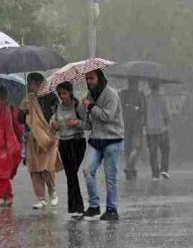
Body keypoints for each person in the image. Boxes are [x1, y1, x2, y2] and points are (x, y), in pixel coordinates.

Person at [82, 69, 125, 221]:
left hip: (112, 139)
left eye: (91, 78)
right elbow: (88, 124)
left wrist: (91, 107)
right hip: (96, 139)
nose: (89, 81)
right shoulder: (89, 96)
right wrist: (83, 113)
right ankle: (94, 206)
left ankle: (112, 209)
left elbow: (107, 116)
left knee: (110, 177)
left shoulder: (111, 94)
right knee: (88, 170)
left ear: (99, 78)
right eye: (86, 78)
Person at [19, 73, 60, 210]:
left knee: (47, 167)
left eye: (30, 83)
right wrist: (23, 109)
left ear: (38, 83)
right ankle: (41, 198)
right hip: (32, 138)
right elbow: (20, 119)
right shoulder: (28, 99)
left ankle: (53, 192)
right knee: (35, 169)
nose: (29, 86)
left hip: (48, 136)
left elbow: (56, 115)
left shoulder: (51, 96)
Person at [50, 81, 88, 217]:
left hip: (77, 143)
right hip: (64, 143)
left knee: (72, 174)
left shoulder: (78, 107)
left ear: (70, 92)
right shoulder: (56, 108)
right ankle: (76, 208)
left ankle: (77, 207)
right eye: (59, 94)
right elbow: (52, 123)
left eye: (64, 93)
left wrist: (77, 122)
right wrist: (53, 126)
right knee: (70, 175)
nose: (62, 96)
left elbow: (88, 125)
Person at [119, 79, 146, 181]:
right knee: (136, 147)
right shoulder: (140, 95)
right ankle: (129, 166)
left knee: (129, 148)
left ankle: (130, 167)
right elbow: (143, 110)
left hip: (127, 124)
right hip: (135, 125)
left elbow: (119, 108)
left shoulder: (123, 94)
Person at [145, 82, 172, 180]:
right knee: (165, 150)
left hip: (149, 130)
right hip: (162, 130)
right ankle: (164, 170)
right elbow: (167, 115)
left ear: (150, 87)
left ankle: (155, 174)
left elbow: (143, 114)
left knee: (153, 153)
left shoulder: (146, 99)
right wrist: (167, 124)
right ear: (159, 87)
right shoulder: (163, 99)